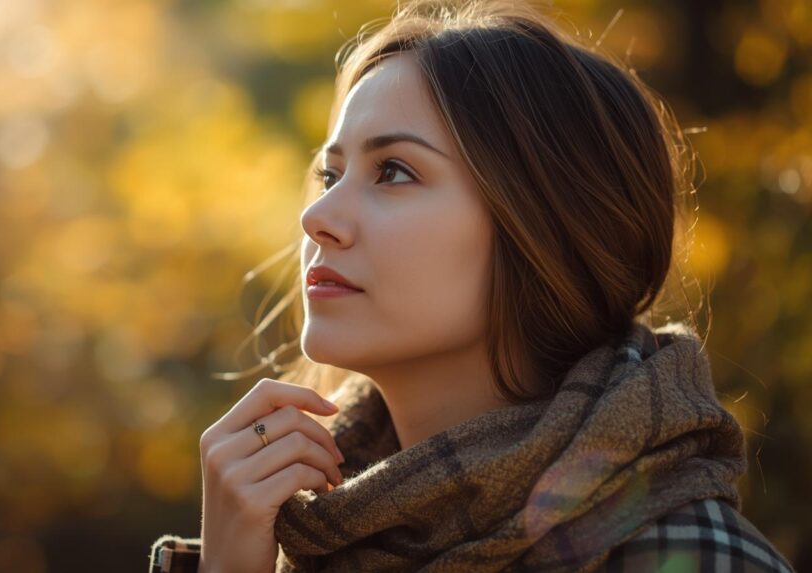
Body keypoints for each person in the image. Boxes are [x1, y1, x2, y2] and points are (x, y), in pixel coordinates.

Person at [149, 0, 797, 571]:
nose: (316, 216)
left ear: (545, 226)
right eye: (330, 175)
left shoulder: (696, 557)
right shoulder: (297, 526)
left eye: (393, 171)